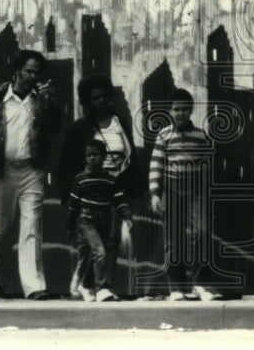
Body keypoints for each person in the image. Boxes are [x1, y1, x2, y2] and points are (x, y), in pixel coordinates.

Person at [0, 49, 60, 300]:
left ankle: (34, 286)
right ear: (17, 71)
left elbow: (55, 128)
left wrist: (50, 102)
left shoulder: (39, 100)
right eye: (28, 71)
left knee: (32, 227)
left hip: (31, 170)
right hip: (1, 172)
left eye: (36, 73)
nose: (32, 76)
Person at [58, 75, 145, 295]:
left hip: (115, 189)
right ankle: (88, 284)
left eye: (103, 96)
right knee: (93, 245)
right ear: (87, 101)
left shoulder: (120, 124)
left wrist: (134, 185)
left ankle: (105, 286)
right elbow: (68, 162)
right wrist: (69, 194)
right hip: (91, 193)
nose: (100, 101)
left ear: (109, 98)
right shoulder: (81, 128)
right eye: (94, 97)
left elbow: (130, 154)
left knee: (112, 240)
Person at [148, 88, 223, 301]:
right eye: (176, 109)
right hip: (172, 190)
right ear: (170, 111)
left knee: (201, 233)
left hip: (196, 190)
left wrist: (204, 190)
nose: (180, 113)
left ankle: (201, 284)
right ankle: (177, 287)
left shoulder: (200, 135)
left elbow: (208, 165)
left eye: (184, 109)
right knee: (174, 239)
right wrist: (155, 193)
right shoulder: (164, 135)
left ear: (191, 111)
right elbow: (156, 165)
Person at [67, 139, 133, 302]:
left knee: (94, 255)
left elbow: (119, 200)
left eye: (95, 155)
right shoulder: (80, 179)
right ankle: (101, 288)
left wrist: (127, 216)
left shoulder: (110, 179)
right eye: (88, 155)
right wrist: (70, 224)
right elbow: (74, 204)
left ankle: (85, 286)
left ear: (104, 157)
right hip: (87, 221)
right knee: (100, 253)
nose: (91, 158)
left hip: (104, 221)